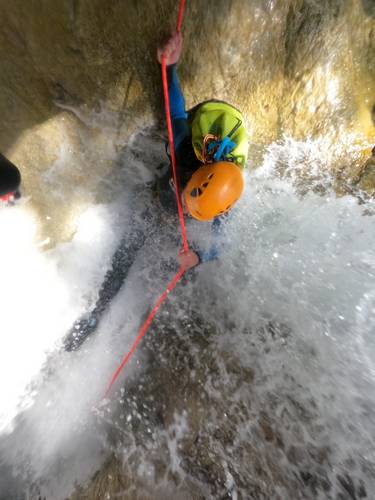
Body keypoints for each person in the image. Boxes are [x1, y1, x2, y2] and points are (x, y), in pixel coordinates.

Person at [156, 32, 248, 270]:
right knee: (163, 192)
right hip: (205, 114)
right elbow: (176, 113)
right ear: (193, 178)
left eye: (188, 208)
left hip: (228, 131)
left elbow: (222, 245)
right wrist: (169, 67)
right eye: (189, 203)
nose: (185, 210)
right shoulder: (185, 149)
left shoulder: (224, 198)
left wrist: (198, 258)